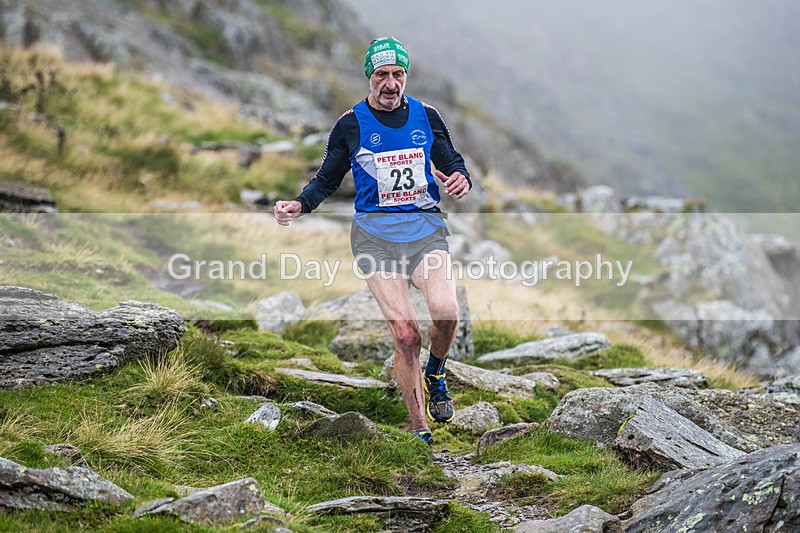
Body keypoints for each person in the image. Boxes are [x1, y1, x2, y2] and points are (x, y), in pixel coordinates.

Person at [274, 37, 472, 446]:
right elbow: (327, 178)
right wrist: (299, 205)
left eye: (398, 74)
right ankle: (420, 429)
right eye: (382, 74)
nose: (390, 82)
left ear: (405, 77)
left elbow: (450, 159)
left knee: (447, 313)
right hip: (374, 239)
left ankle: (435, 373)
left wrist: (460, 177)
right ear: (370, 77)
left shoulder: (427, 115)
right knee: (405, 335)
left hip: (424, 231)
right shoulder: (351, 124)